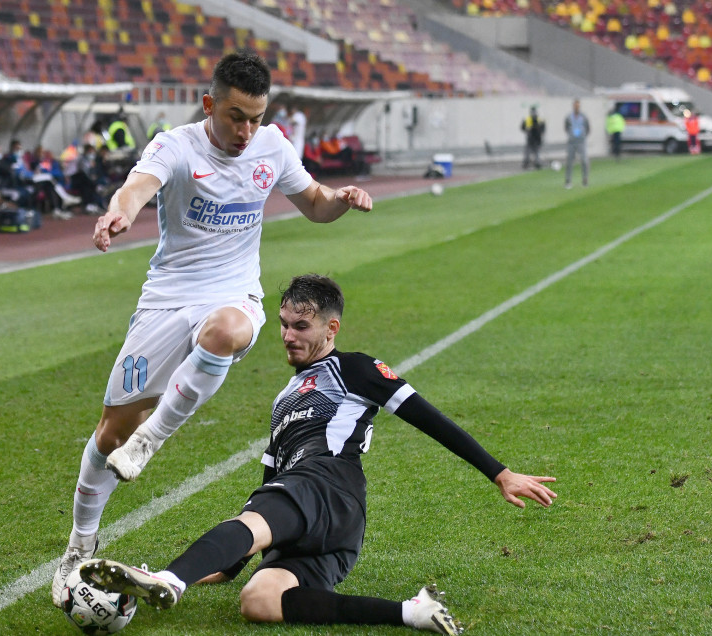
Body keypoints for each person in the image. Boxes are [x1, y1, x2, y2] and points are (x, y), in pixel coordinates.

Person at [51, 49, 374, 606]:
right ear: (210, 104)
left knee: (225, 331)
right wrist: (120, 213)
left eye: (256, 116)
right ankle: (78, 548)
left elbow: (316, 205)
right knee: (109, 434)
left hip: (233, 295)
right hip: (167, 299)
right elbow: (136, 187)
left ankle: (152, 439)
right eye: (236, 116)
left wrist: (341, 200)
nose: (247, 129)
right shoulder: (175, 145)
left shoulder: (272, 146)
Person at [81, 274, 557, 634]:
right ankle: (415, 613)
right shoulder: (284, 397)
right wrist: (225, 567)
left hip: (328, 482)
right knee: (260, 601)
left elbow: (427, 417)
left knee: (250, 526)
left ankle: (169, 580)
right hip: (325, 521)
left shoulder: (354, 369)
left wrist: (499, 473)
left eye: (301, 326)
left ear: (331, 327)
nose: (288, 335)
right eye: (284, 325)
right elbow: (265, 492)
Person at [564, 98, 590, 189]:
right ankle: (568, 180)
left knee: (584, 160)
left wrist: (582, 135)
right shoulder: (569, 117)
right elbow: (566, 127)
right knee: (569, 161)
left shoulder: (583, 117)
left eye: (578, 105)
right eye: (575, 105)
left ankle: (585, 179)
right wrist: (571, 134)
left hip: (581, 141)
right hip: (571, 141)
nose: (576, 107)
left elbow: (588, 128)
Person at [520, 105, 545, 169]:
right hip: (530, 138)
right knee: (527, 152)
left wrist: (538, 130)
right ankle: (526, 163)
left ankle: (537, 163)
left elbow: (542, 129)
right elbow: (523, 128)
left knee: (536, 152)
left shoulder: (539, 120)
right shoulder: (527, 119)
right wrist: (528, 129)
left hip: (537, 138)